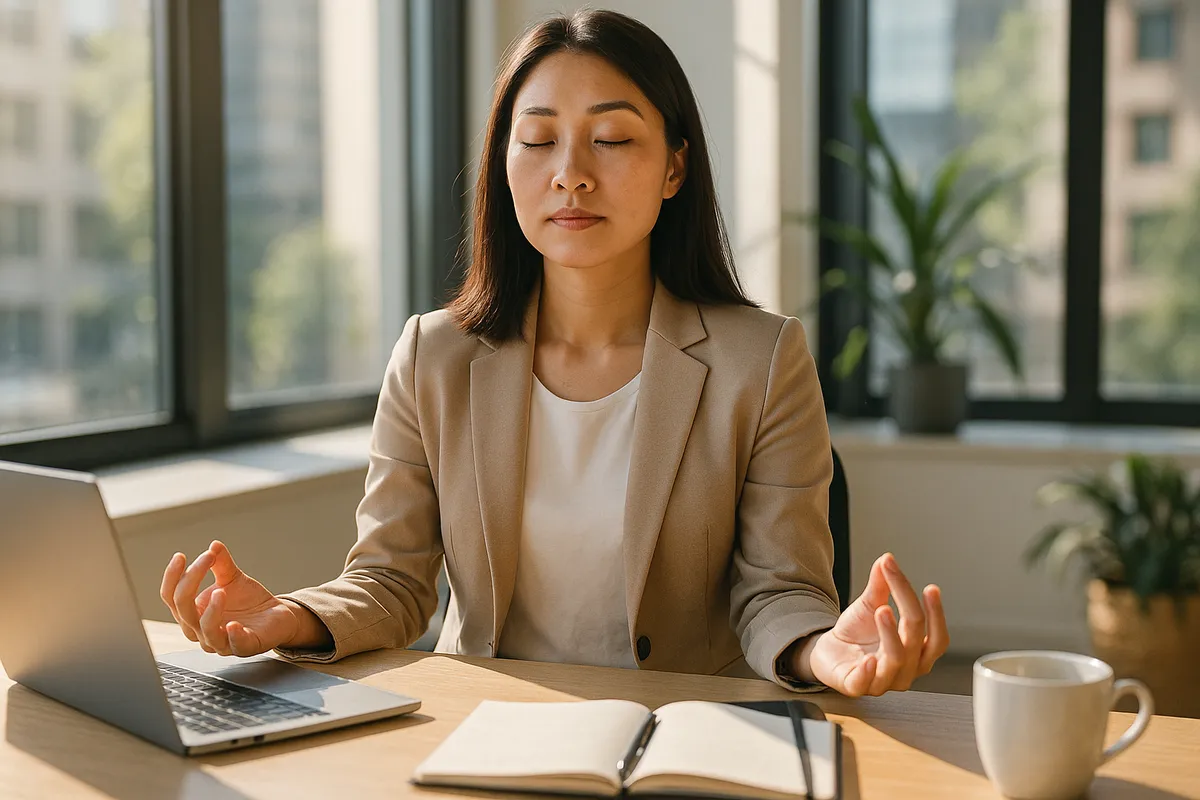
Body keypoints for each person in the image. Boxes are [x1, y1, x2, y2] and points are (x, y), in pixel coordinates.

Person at [160, 8, 947, 697]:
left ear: (675, 165)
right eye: (537, 141)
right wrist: (289, 617)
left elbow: (778, 590)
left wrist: (820, 649)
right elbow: (392, 581)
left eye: (610, 139)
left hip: (683, 740)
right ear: (504, 169)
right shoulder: (432, 357)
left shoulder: (765, 359)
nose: (570, 175)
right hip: (485, 732)